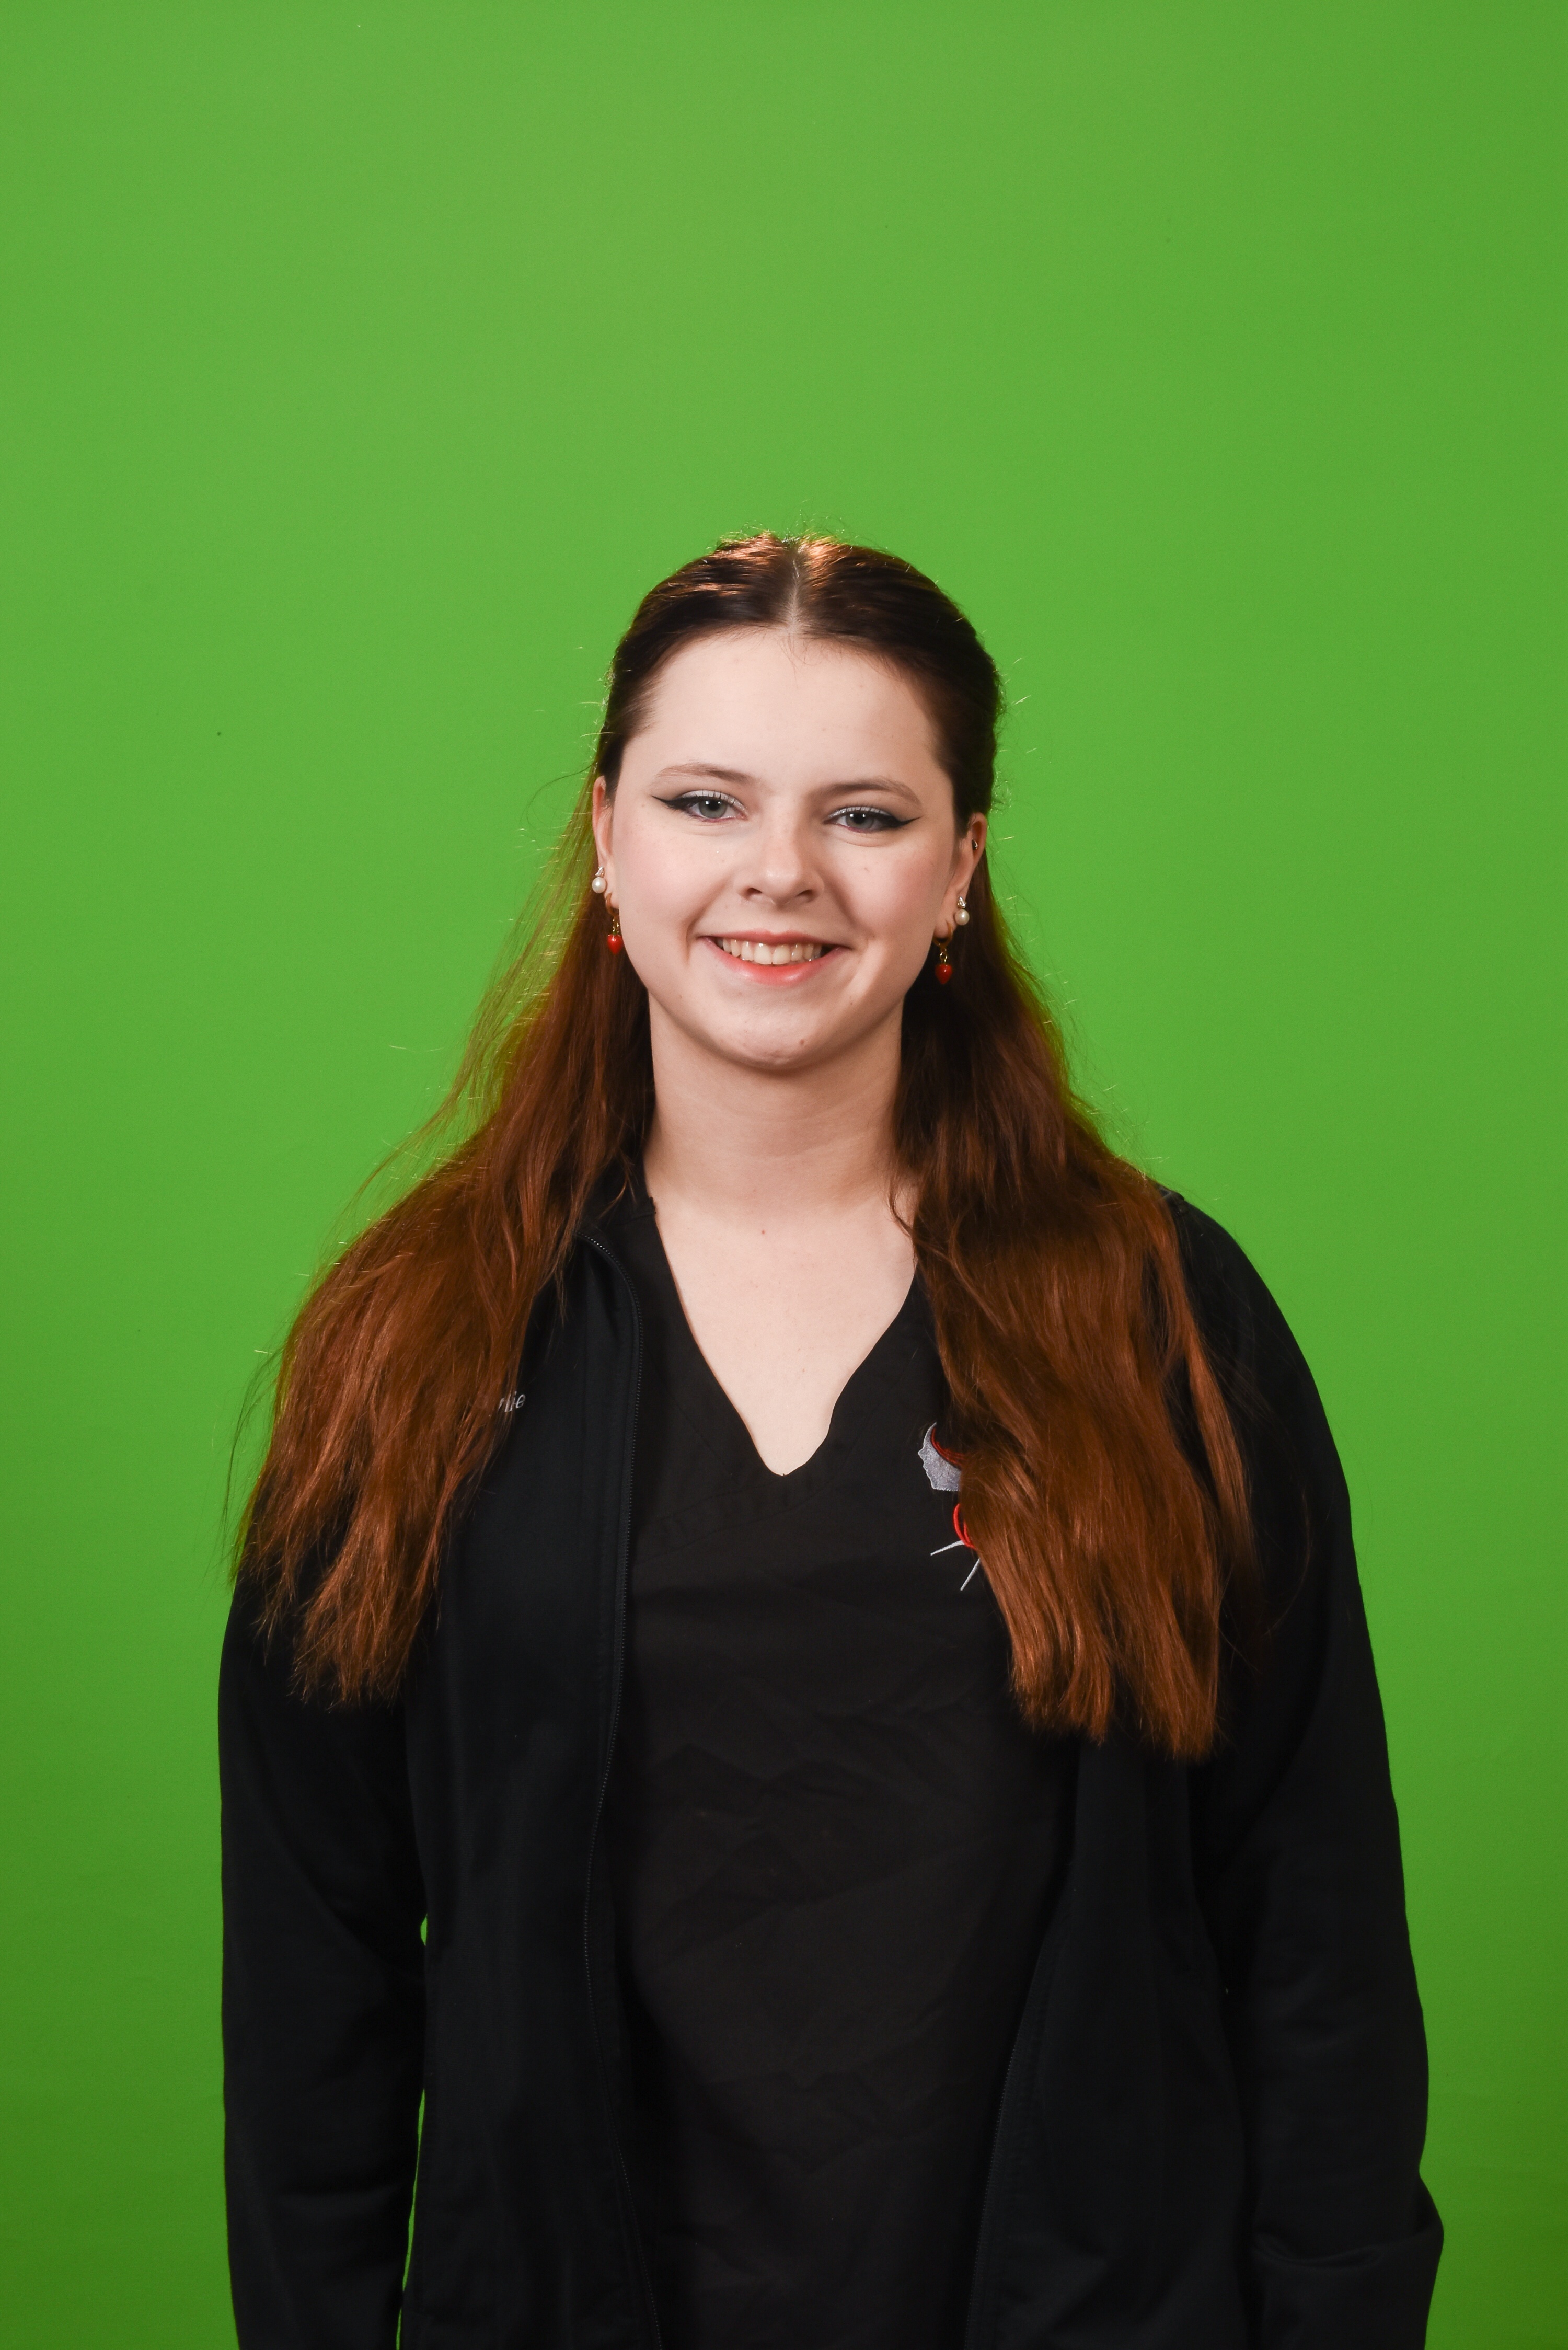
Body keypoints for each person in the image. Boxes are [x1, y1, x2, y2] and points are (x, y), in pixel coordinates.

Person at [220, 534, 1441, 2350]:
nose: (778, 871)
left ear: (961, 872)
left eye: (864, 815)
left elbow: (1314, 1926)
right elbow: (314, 1973)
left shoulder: (1160, 1316)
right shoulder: (415, 1338)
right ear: (609, 841)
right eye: (706, 800)